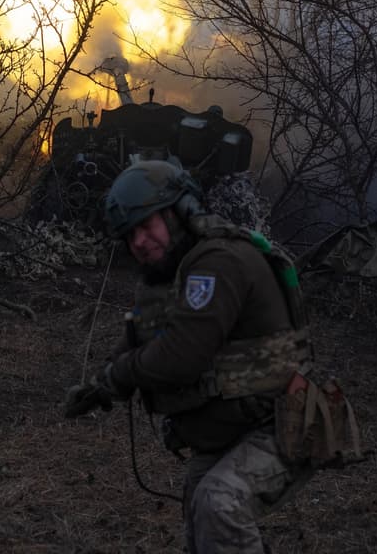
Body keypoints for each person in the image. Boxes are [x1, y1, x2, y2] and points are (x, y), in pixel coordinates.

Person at [64, 160, 315, 553]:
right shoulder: (175, 269)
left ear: (182, 211)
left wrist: (121, 375)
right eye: (130, 236)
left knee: (219, 505)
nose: (139, 242)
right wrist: (101, 385)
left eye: (147, 226)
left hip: (282, 422)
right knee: (201, 522)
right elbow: (143, 333)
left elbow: (180, 357)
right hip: (231, 432)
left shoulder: (217, 261)